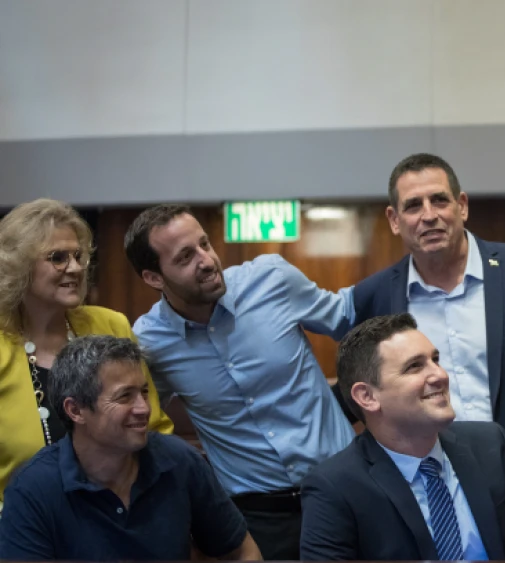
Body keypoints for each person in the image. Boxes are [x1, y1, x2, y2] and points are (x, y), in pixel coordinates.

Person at [126, 205, 356, 560]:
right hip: (256, 516)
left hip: (342, 489)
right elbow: (141, 417)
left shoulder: (271, 279)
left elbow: (347, 319)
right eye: (186, 256)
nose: (206, 260)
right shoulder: (149, 342)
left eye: (204, 244)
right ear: (153, 277)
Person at [352, 153, 505, 509]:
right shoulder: (373, 297)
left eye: (439, 200)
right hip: (432, 492)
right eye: (413, 206)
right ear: (394, 219)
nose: (429, 215)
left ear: (462, 205)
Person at [299, 313, 505, 561]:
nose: (440, 375)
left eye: (435, 360)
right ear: (367, 396)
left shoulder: (490, 444)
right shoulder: (334, 488)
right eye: (415, 367)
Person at [0, 335, 260, 561]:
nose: (144, 409)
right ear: (76, 410)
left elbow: (242, 552)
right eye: (125, 396)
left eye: (144, 392)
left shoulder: (179, 460)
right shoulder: (33, 489)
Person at [0, 199, 173, 513]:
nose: (76, 267)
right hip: (20, 528)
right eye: (58, 258)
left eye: (78, 255)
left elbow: (154, 429)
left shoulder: (109, 325)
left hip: (121, 516)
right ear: (19, 266)